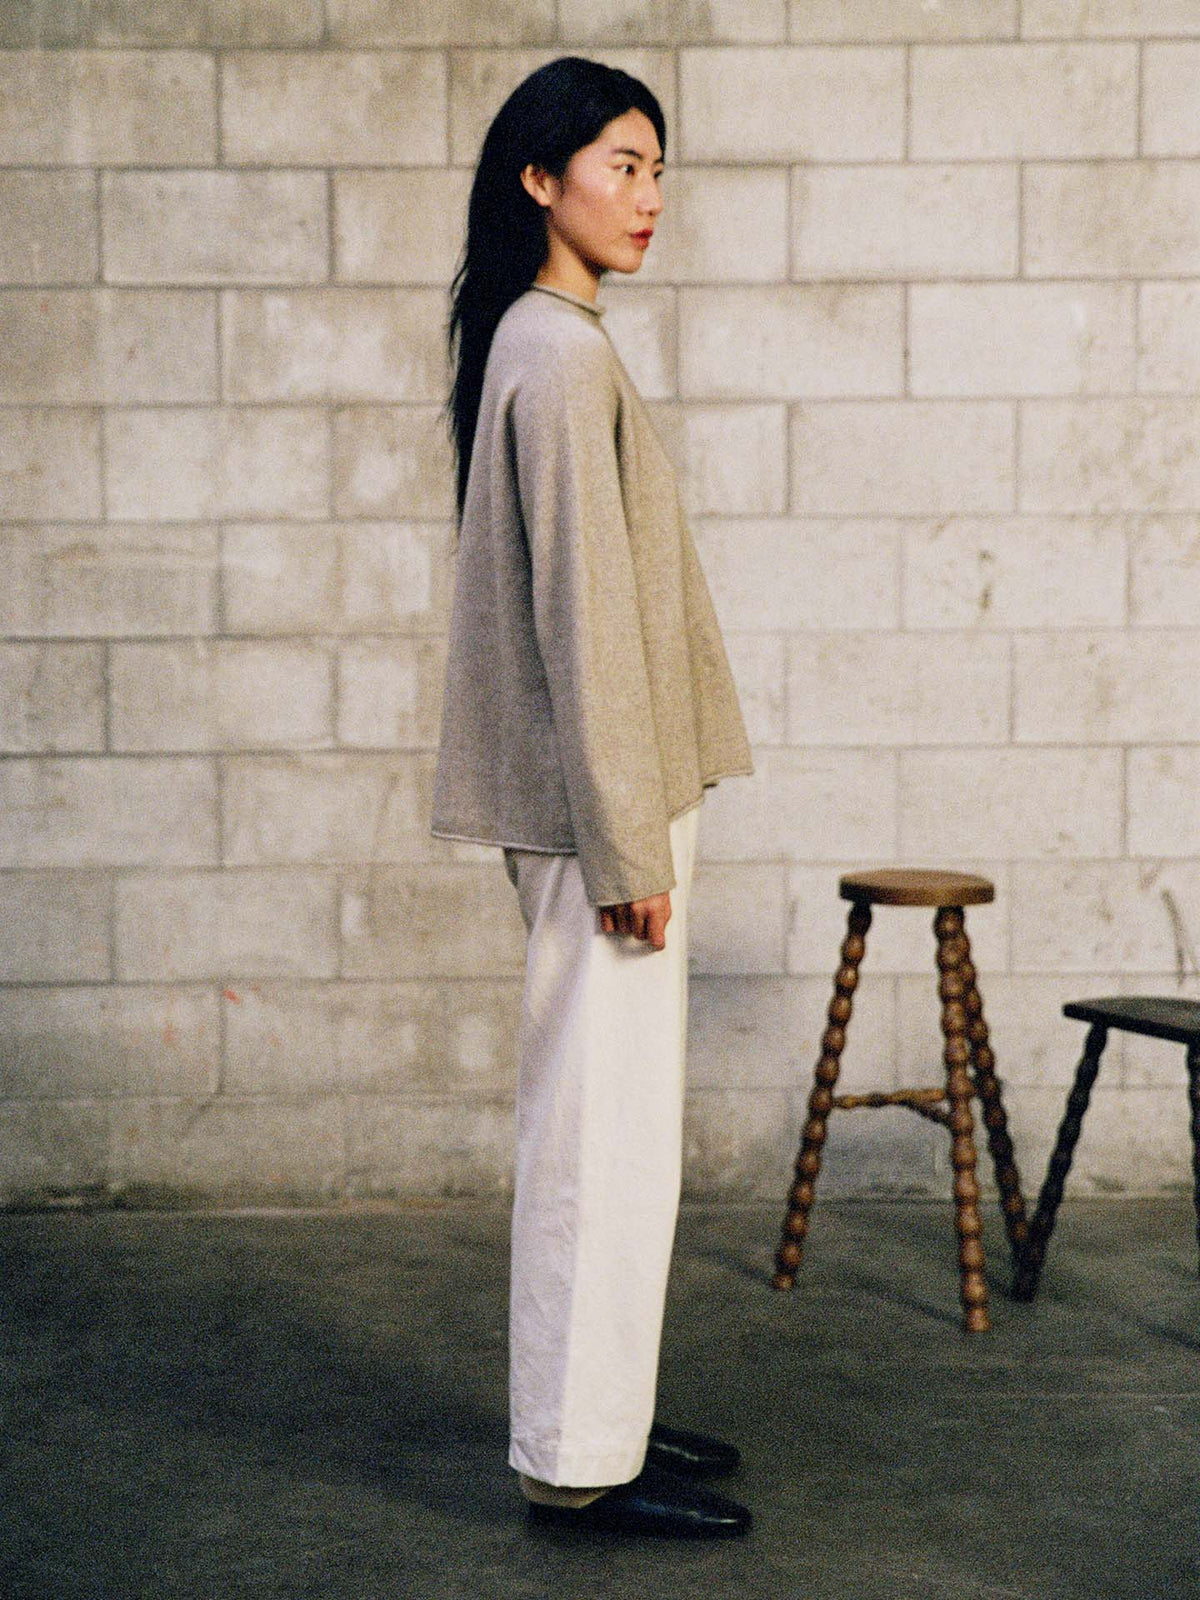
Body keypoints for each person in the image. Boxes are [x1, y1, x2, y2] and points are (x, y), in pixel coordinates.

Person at [430, 56, 755, 1539]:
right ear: (539, 179)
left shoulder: (546, 338)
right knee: (596, 1138)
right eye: (623, 165)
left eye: (657, 167)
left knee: (618, 1130)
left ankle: (602, 1418)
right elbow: (581, 619)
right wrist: (630, 846)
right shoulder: (555, 355)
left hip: (603, 805)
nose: (649, 196)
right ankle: (574, 1460)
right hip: (600, 818)